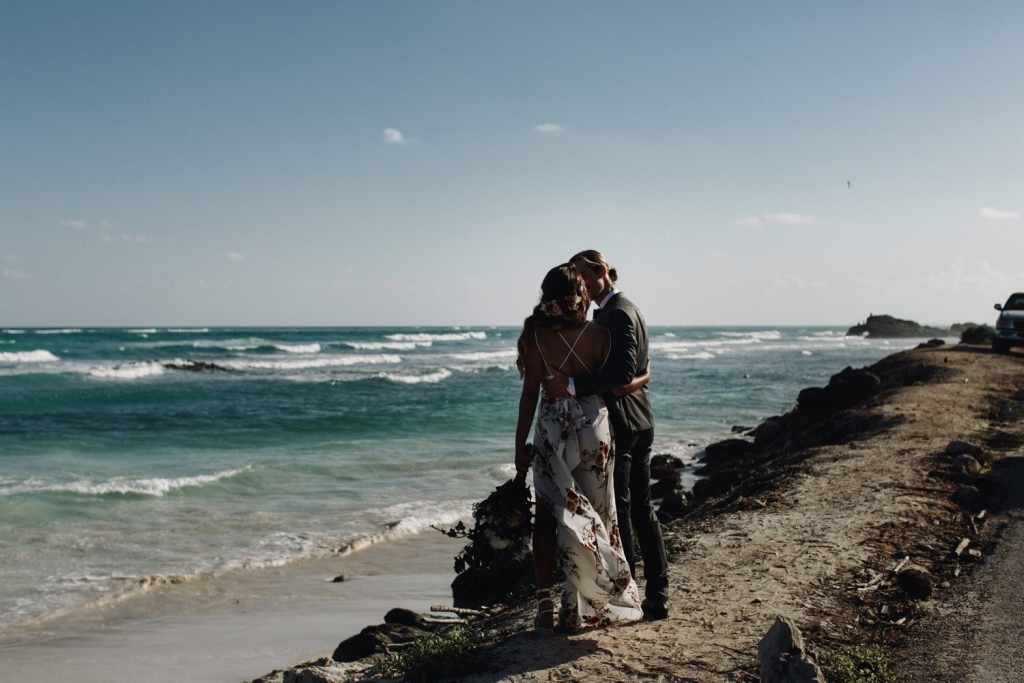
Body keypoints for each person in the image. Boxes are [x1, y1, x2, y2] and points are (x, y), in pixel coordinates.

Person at [514, 263, 648, 634]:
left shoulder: (538, 338)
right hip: (595, 429)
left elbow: (529, 395)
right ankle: (587, 607)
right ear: (581, 295)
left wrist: (519, 445)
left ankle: (545, 604)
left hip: (554, 431)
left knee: (549, 516)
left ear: (549, 300)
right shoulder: (601, 335)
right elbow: (614, 379)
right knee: (599, 516)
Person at [544, 250, 670, 621]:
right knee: (638, 509)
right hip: (640, 419)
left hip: (625, 425)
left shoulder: (616, 314)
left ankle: (634, 596)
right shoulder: (623, 310)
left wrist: (569, 385)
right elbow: (639, 369)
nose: (577, 285)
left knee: (626, 512)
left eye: (581, 277)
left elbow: (620, 374)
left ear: (601, 272)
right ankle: (654, 594)